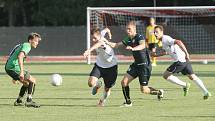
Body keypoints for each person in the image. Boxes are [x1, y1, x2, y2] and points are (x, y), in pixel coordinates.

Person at [106, 21, 164, 107]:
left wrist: (134, 49)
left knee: (144, 90)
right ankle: (128, 102)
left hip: (144, 65)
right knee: (124, 82)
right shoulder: (128, 38)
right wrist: (106, 42)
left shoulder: (139, 37)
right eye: (127, 29)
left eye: (129, 29)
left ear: (134, 29)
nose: (128, 31)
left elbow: (142, 45)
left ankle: (159, 92)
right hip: (136, 65)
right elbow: (116, 45)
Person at [153, 25, 211, 99]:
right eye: (154, 32)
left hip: (179, 61)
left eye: (157, 32)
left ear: (162, 32)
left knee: (165, 75)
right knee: (192, 77)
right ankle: (206, 92)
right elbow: (166, 52)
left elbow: (178, 41)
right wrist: (155, 55)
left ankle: (184, 85)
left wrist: (187, 53)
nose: (155, 33)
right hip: (183, 59)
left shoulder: (165, 39)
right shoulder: (163, 41)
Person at [5, 32, 41, 108]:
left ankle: (18, 101)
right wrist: (21, 72)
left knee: (26, 84)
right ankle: (29, 101)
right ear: (31, 40)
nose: (37, 43)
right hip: (13, 68)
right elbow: (20, 56)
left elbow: (12, 54)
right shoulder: (27, 46)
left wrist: (14, 76)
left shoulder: (22, 45)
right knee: (33, 81)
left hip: (9, 67)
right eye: (36, 41)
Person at [83, 27, 118, 107]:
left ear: (99, 37)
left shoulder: (101, 41)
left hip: (111, 68)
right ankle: (98, 84)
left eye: (95, 38)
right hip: (99, 66)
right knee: (90, 83)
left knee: (107, 89)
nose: (93, 40)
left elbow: (98, 44)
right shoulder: (101, 33)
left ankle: (102, 101)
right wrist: (109, 33)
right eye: (93, 38)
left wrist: (89, 50)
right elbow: (106, 29)